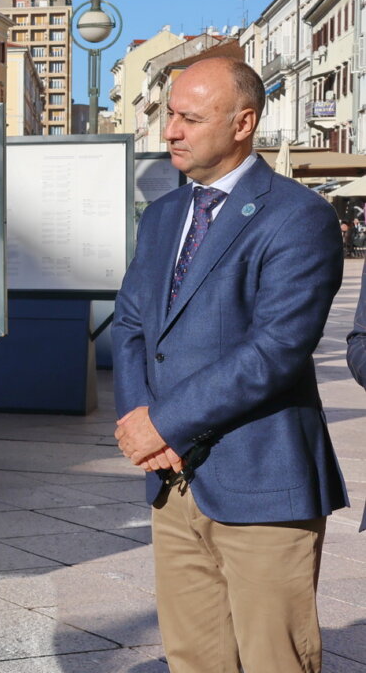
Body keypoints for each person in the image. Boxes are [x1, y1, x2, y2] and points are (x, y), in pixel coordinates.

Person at [112, 57, 346, 673]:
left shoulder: (299, 216)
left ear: (243, 123)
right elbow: (134, 323)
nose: (171, 132)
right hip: (173, 482)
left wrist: (165, 422)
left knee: (276, 659)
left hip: (260, 479)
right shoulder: (164, 215)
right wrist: (140, 420)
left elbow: (275, 350)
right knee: (193, 658)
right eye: (170, 115)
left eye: (190, 118)